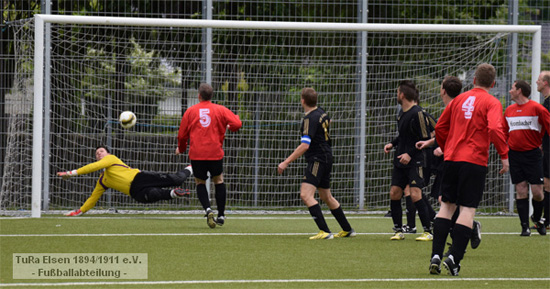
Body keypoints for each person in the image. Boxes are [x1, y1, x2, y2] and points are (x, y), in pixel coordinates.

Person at [429, 63, 509, 276]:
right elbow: (493, 127)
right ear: (492, 83)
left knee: (446, 206)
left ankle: (436, 255)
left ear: (474, 80)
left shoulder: (459, 100)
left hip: (452, 159)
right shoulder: (492, 102)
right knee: (467, 209)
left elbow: (439, 128)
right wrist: (504, 154)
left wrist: (447, 148)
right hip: (473, 161)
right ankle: (454, 258)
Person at [277, 87, 355, 239]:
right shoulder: (322, 112)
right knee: (326, 196)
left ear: (303, 101)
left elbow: (305, 145)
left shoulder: (309, 119)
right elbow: (328, 121)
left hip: (318, 159)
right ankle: (347, 229)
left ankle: (325, 231)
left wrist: (286, 162)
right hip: (327, 157)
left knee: (306, 195)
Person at [416, 76, 482, 252]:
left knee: (446, 201)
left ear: (443, 90)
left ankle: (466, 232)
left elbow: (460, 136)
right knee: (446, 201)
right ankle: (465, 231)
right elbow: (445, 132)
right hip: (449, 159)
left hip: (455, 159)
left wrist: (444, 149)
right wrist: (429, 143)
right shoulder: (456, 105)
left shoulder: (457, 107)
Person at [57, 145, 193, 216]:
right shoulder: (103, 181)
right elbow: (93, 198)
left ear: (108, 154)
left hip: (140, 178)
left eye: (101, 151)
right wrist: (79, 211)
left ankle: (192, 167)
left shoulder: (111, 159)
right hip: (135, 193)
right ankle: (175, 193)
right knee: (154, 195)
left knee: (177, 179)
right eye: (97, 153)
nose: (99, 154)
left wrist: (71, 173)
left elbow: (94, 166)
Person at [176, 83, 242, 228]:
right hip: (215, 152)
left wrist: (181, 149)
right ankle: (222, 215)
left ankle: (207, 209)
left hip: (197, 153)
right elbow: (237, 123)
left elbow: (182, 135)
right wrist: (231, 127)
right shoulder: (220, 109)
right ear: (211, 96)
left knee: (200, 182)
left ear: (199, 95)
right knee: (218, 180)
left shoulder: (191, 111)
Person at [383, 80, 433, 241]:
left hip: (415, 161)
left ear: (402, 95)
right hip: (400, 160)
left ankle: (428, 231)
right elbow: (403, 136)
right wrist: (392, 143)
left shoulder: (418, 113)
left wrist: (410, 154)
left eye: (398, 92)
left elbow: (424, 139)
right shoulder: (401, 113)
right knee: (394, 193)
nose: (397, 95)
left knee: (415, 194)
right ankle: (398, 230)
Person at [504, 80, 550, 236]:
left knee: (537, 192)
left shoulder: (537, 108)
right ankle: (524, 227)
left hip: (533, 155)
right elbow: (504, 132)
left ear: (519, 91)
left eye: (512, 88)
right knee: (521, 189)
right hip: (515, 155)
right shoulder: (509, 110)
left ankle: (537, 219)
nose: (510, 91)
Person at [536, 71, 550, 230]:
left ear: (545, 83)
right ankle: (546, 220)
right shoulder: (545, 102)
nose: (536, 82)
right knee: (546, 183)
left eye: (539, 80)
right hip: (546, 147)